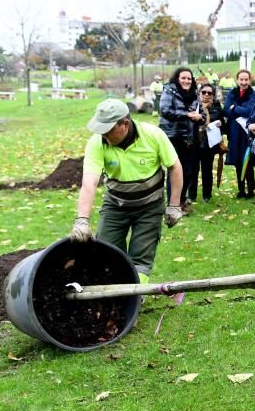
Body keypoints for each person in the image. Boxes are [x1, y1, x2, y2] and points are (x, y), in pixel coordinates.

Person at [70, 100, 183, 283]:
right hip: (116, 205)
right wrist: (82, 220)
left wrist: (174, 205)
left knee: (140, 257)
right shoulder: (98, 142)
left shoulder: (153, 135)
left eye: (108, 130)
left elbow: (175, 167)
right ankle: (115, 295)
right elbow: (89, 183)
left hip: (150, 207)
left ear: (125, 124)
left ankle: (134, 298)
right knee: (106, 251)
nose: (105, 135)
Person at [158, 67, 201, 209]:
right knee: (175, 170)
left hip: (190, 137)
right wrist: (186, 115)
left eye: (189, 78)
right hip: (174, 137)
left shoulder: (195, 94)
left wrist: (200, 117)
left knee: (188, 172)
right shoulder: (169, 91)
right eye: (183, 78)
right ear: (177, 78)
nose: (187, 81)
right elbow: (165, 111)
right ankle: (173, 204)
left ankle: (181, 201)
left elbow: (200, 113)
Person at [224, 69, 255, 199]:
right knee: (237, 161)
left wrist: (235, 108)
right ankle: (241, 189)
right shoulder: (232, 93)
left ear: (249, 80)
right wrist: (235, 109)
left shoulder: (253, 94)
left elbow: (250, 111)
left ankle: (251, 189)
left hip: (246, 132)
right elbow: (226, 110)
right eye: (241, 79)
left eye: (246, 80)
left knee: (247, 160)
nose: (243, 82)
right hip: (233, 132)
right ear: (237, 80)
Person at [194, 84, 225, 203]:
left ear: (213, 94)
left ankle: (207, 195)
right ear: (199, 93)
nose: (206, 95)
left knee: (207, 170)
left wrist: (219, 124)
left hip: (209, 143)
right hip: (195, 142)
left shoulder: (216, 107)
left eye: (209, 93)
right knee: (193, 170)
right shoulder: (194, 105)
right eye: (204, 92)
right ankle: (192, 195)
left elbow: (223, 125)